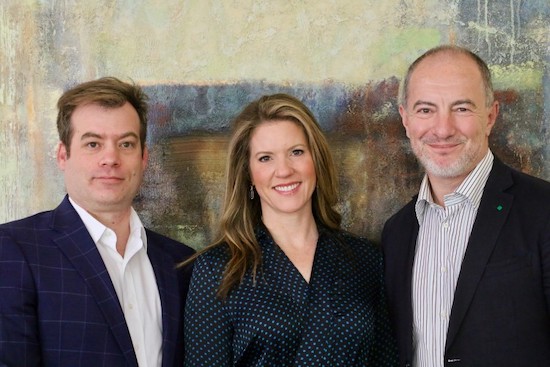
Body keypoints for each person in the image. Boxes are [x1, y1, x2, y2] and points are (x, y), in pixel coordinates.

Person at [183, 93, 398, 366]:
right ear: (248, 173)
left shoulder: (365, 259)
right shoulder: (217, 270)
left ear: (316, 160)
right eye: (265, 158)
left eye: (296, 152)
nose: (283, 171)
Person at [0, 77, 195, 367]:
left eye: (126, 144)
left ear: (143, 158)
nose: (110, 158)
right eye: (93, 143)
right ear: (63, 155)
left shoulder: (181, 262)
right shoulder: (15, 249)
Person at [382, 44, 550, 367]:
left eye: (461, 108)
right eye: (425, 110)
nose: (443, 129)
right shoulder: (397, 233)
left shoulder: (542, 212)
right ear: (405, 119)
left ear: (490, 116)